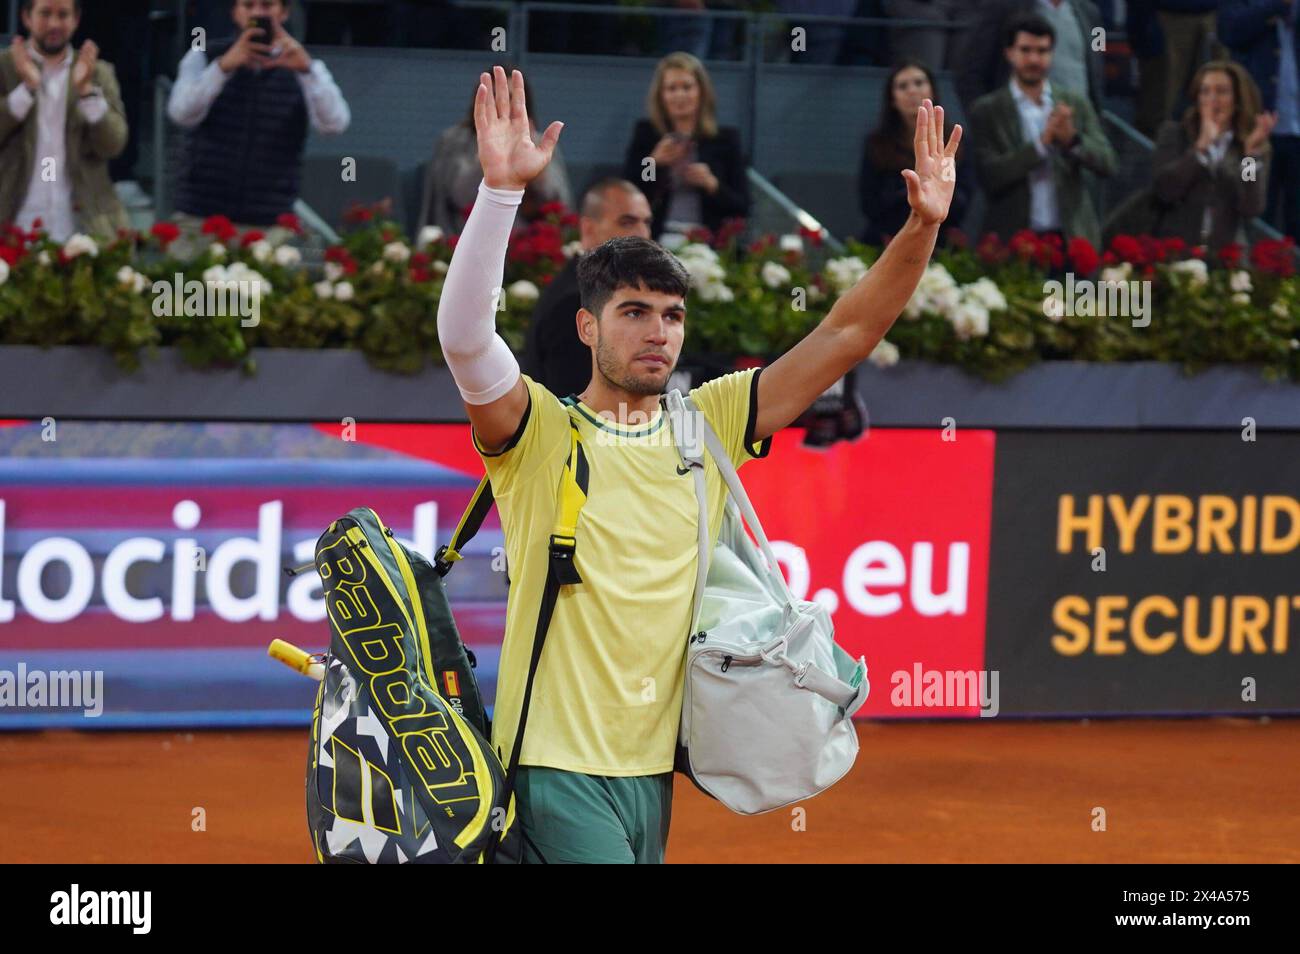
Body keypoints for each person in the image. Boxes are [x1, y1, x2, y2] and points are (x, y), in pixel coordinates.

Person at [438, 65, 961, 864]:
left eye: (673, 315)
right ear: (587, 327)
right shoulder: (540, 435)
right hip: (553, 768)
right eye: (635, 313)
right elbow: (468, 340)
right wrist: (501, 192)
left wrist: (920, 227)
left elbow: (844, 337)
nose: (659, 332)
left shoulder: (706, 426)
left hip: (653, 774)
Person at [167, 0, 350, 237]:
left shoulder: (306, 66)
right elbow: (180, 113)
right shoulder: (204, 55)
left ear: (284, 12)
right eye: (248, 5)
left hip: (269, 221)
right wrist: (222, 68)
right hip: (200, 215)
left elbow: (335, 124)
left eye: (267, 5)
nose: (257, 13)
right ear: (234, 12)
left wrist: (306, 71)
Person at [969, 14, 1117, 247]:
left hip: (1070, 238)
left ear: (1052, 53)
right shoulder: (986, 110)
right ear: (1009, 53)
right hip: (1012, 240)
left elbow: (1108, 162)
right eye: (1026, 50)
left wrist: (1072, 142)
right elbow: (990, 176)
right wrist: (1041, 145)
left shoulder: (1075, 103)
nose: (1034, 59)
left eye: (1042, 50)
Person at [0, 0, 128, 241]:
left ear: (76, 19)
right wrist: (27, 89)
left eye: (63, 15)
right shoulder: (5, 68)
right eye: (45, 14)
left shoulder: (97, 71)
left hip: (81, 226)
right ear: (27, 17)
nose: (54, 24)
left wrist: (87, 91)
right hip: (13, 223)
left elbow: (114, 144)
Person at [523, 179, 654, 398]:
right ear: (589, 229)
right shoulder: (575, 302)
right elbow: (576, 407)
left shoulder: (590, 289)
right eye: (628, 222)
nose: (643, 234)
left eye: (647, 223)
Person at [418, 64, 573, 235]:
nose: (502, 103)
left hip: (528, 246)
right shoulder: (454, 141)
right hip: (467, 235)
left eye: (510, 97)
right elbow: (458, 197)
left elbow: (559, 202)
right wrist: (489, 156)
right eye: (494, 96)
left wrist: (537, 173)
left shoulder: (540, 142)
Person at [622, 52, 749, 245]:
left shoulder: (725, 139)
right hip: (656, 240)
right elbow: (627, 198)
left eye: (687, 87)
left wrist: (712, 184)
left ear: (701, 92)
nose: (679, 95)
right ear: (661, 95)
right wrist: (653, 163)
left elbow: (742, 206)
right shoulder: (647, 134)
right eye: (671, 88)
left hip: (708, 243)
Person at [1150, 61, 1274, 248]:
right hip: (1175, 253)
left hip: (1227, 258)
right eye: (1205, 91)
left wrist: (1250, 156)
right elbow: (1165, 191)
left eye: (1222, 91)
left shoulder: (1248, 145)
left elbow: (1250, 208)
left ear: (1237, 99)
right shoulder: (1175, 134)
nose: (1212, 99)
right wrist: (1200, 148)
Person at [859, 59, 972, 244]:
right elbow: (869, 204)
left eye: (919, 83)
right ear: (892, 99)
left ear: (932, 90)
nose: (912, 91)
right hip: (888, 239)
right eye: (902, 86)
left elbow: (963, 201)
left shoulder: (955, 140)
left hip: (940, 240)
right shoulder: (876, 144)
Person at [1218, 0, 1300, 241]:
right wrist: (1275, 6)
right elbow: (1229, 31)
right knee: (1252, 209)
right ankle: (1249, 274)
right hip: (1252, 137)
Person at [956, 0, 1105, 113]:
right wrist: (985, 124)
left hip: (1078, 126)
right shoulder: (1004, 7)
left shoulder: (1090, 12)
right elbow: (970, 72)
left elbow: (1097, 68)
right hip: (1018, 130)